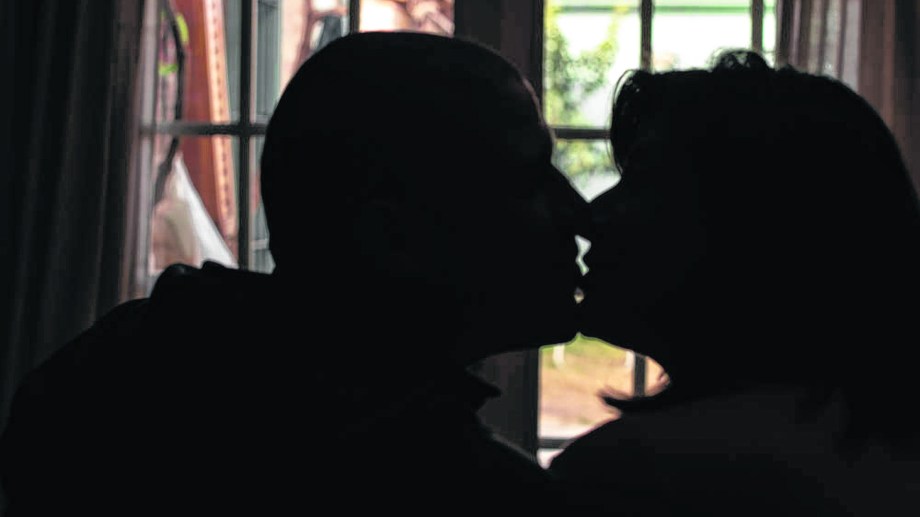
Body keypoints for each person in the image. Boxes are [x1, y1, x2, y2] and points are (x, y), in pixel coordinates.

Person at [0, 32, 589, 515]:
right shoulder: (465, 492)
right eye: (529, 178)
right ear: (392, 234)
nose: (578, 211)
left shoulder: (107, 381)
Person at [548, 50, 920, 516]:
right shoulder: (877, 453)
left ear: (749, 227)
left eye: (643, 183)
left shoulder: (630, 477)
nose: (592, 214)